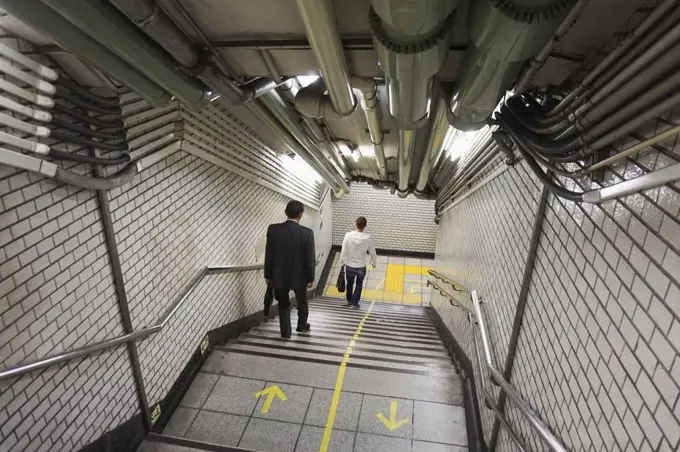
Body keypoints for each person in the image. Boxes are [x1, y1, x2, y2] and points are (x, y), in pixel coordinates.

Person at [264, 200, 315, 338]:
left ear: (286, 212)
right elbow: (309, 258)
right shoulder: (307, 233)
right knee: (302, 301)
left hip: (278, 274)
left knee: (283, 303)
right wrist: (311, 277)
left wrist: (268, 275)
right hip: (300, 275)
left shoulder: (273, 229)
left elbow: (269, 254)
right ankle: (302, 325)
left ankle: (285, 332)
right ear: (301, 215)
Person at [340, 216, 377, 308]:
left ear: (355, 223)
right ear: (365, 226)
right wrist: (374, 263)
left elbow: (343, 250)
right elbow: (372, 252)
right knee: (359, 284)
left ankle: (349, 301)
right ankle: (355, 303)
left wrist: (342, 260)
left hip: (349, 265)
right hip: (361, 266)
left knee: (349, 283)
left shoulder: (348, 235)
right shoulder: (368, 238)